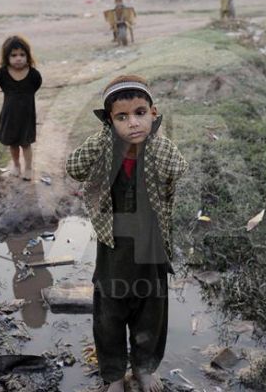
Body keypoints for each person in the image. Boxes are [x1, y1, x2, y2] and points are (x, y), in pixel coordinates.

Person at [66, 74, 187, 392]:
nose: (133, 123)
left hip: (151, 254)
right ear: (109, 121)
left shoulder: (160, 149)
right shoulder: (106, 149)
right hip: (114, 254)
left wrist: (151, 139)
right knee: (109, 319)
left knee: (151, 316)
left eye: (140, 113)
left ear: (153, 113)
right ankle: (114, 376)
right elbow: (74, 167)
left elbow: (178, 168)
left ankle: (145, 368)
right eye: (122, 117)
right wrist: (108, 137)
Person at [0, 35, 41, 180]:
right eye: (14, 55)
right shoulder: (2, 74)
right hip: (9, 116)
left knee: (26, 144)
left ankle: (28, 168)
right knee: (13, 144)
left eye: (22, 54)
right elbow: (2, 85)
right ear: (6, 57)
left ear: (27, 55)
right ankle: (16, 165)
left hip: (26, 116)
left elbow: (35, 86)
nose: (18, 58)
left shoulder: (34, 75)